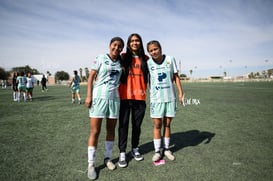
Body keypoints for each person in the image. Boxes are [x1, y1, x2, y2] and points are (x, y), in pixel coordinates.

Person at [85, 37, 124, 180]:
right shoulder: (100, 58)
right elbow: (91, 78)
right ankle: (91, 164)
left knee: (110, 130)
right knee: (95, 131)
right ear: (110, 46)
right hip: (98, 99)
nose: (117, 48)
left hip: (114, 100)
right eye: (114, 45)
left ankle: (107, 158)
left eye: (120, 46)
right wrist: (89, 96)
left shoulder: (121, 62)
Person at [146, 40, 184, 162]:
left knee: (167, 124)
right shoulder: (148, 63)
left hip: (170, 98)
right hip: (156, 100)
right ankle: (157, 151)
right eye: (151, 50)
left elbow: (176, 77)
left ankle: (167, 149)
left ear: (160, 49)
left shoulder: (170, 59)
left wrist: (180, 93)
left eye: (155, 49)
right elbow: (147, 81)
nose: (153, 52)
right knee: (157, 125)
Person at [118, 33, 149, 168]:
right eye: (132, 41)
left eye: (137, 41)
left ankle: (135, 148)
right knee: (123, 126)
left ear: (140, 43)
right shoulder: (123, 57)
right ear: (128, 43)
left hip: (140, 97)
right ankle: (122, 152)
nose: (134, 43)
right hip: (125, 97)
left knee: (137, 126)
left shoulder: (146, 58)